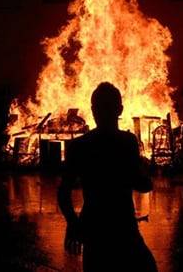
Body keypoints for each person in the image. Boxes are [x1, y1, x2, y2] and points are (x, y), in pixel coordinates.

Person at [58, 82, 157, 272]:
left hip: (94, 230)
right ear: (119, 109)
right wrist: (148, 174)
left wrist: (73, 224)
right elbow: (141, 184)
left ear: (93, 110)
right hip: (123, 229)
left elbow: (63, 191)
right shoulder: (127, 142)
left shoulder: (79, 146)